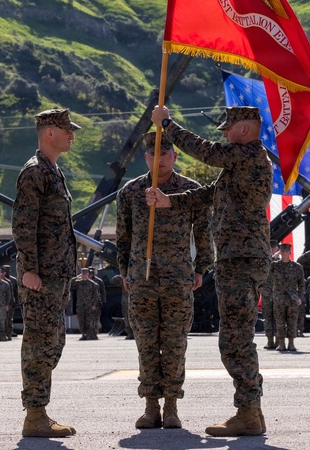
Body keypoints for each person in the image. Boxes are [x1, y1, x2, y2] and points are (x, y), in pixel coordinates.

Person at [146, 105, 272, 437]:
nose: (225, 136)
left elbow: (207, 152)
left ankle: (248, 412)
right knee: (234, 338)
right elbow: (207, 195)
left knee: (236, 339)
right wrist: (170, 201)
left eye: (228, 130)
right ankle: (250, 412)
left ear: (243, 130)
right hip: (237, 260)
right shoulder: (240, 165)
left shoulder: (248, 155)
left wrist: (168, 125)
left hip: (242, 260)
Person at [116, 130, 212, 430]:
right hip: (142, 279)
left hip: (177, 279)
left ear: (174, 156)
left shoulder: (189, 190)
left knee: (174, 343)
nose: (159, 160)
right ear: (146, 157)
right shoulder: (131, 192)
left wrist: (201, 269)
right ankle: (150, 406)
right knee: (146, 343)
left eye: (165, 154)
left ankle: (171, 406)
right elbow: (123, 237)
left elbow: (203, 233)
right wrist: (124, 270)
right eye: (153, 155)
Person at [13, 107, 80, 438]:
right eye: (67, 130)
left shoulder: (52, 171)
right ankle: (35, 415)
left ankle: (38, 410)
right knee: (40, 343)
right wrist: (30, 269)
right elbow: (24, 225)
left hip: (57, 275)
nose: (72, 135)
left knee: (53, 341)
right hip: (41, 276)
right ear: (49, 132)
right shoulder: (35, 172)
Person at [270, 243, 304, 352]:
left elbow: (301, 284)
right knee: (280, 322)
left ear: (290, 252)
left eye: (286, 251)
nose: (284, 253)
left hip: (292, 299)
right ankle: (281, 343)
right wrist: (274, 256)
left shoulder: (297, 267)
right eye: (282, 251)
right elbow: (264, 265)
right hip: (279, 298)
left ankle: (291, 343)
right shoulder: (275, 265)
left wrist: (300, 297)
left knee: (292, 322)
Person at [70, 269, 101, 341]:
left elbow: (96, 296)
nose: (84, 275)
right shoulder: (78, 283)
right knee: (81, 320)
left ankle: (90, 335)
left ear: (88, 275)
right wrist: (77, 277)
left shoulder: (93, 284)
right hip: (80, 305)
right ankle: (83, 334)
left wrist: (94, 305)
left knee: (89, 321)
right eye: (83, 274)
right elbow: (71, 283)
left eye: (85, 274)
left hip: (89, 305)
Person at [261, 240, 280, 350]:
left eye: (275, 248)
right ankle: (270, 341)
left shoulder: (282, 262)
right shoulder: (265, 261)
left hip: (278, 295)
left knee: (278, 318)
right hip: (267, 294)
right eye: (272, 248)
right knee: (268, 318)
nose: (274, 250)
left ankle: (278, 340)